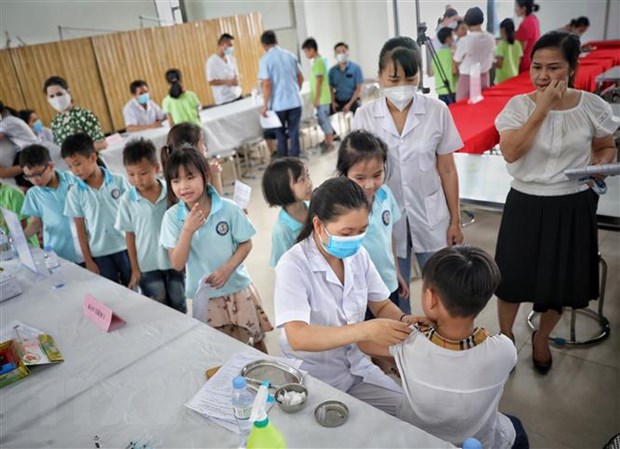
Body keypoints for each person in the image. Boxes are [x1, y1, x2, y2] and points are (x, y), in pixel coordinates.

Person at [494, 31, 618, 374]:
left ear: (572, 68)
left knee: (558, 281)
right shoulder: (518, 106)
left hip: (572, 204)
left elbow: (606, 146)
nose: (543, 75)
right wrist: (542, 109)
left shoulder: (592, 105)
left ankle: (541, 338)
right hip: (526, 202)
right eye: (537, 67)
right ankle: (505, 338)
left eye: (554, 67)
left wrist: (600, 165)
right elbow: (511, 151)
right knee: (511, 278)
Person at [274, 177, 426, 416]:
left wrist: (403, 321)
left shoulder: (358, 255)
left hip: (356, 368)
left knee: (408, 413)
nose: (355, 239)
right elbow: (298, 336)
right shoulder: (293, 265)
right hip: (313, 378)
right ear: (318, 225)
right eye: (347, 232)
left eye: (362, 231)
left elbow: (381, 305)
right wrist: (364, 330)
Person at [353, 36, 464, 314]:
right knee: (395, 293)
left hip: (431, 215)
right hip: (383, 220)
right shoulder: (365, 116)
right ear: (379, 76)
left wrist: (455, 220)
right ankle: (404, 339)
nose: (402, 86)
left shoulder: (436, 111)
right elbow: (354, 174)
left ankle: (440, 336)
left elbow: (447, 169)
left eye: (410, 78)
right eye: (393, 79)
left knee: (441, 289)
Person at [391, 246, 529, 449]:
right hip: (477, 443)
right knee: (516, 427)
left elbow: (366, 344)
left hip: (417, 441)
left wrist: (408, 325)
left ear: (431, 298)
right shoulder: (505, 350)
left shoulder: (408, 343)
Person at [160, 147, 272, 352]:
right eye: (176, 181)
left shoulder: (229, 208)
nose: (183, 186)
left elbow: (246, 243)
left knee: (254, 342)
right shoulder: (172, 217)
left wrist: (227, 269)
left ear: (206, 175)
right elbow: (177, 263)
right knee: (220, 349)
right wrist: (188, 230)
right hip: (205, 297)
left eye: (190, 177)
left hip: (237, 287)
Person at [336, 130, 408, 311]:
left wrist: (396, 271)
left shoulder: (385, 195)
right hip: (359, 292)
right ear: (344, 174)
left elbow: (389, 238)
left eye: (377, 175)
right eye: (360, 178)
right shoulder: (341, 208)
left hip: (388, 283)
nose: (370, 185)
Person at [115, 138, 186, 312]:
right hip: (147, 265)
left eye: (143, 173)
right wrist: (135, 268)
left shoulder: (172, 192)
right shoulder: (127, 200)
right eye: (131, 174)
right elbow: (129, 236)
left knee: (179, 302)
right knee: (158, 306)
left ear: (156, 168)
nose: (137, 179)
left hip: (174, 261)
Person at [62, 132, 131, 284]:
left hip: (126, 246)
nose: (74, 170)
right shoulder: (74, 193)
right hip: (100, 253)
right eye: (70, 166)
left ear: (93, 158)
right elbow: (80, 230)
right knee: (111, 290)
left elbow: (133, 215)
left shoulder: (119, 181)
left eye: (77, 164)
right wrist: (88, 260)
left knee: (136, 289)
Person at [19, 144, 81, 262]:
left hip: (84, 245)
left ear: (51, 166)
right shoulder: (33, 194)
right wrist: (19, 239)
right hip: (58, 252)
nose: (35, 180)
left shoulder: (72, 179)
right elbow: (35, 223)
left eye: (38, 174)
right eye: (29, 176)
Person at [258, 30, 304, 158]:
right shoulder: (290, 55)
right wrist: (296, 91)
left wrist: (265, 105)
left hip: (278, 104)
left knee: (280, 134)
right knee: (294, 133)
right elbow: (300, 77)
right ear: (276, 41)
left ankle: (283, 162)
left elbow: (267, 84)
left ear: (264, 45)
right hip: (295, 102)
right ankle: (296, 161)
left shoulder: (265, 60)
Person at [261, 156, 312, 267]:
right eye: (301, 180)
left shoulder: (315, 207)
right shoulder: (282, 231)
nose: (309, 184)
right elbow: (284, 267)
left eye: (308, 176)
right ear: (283, 187)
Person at [43, 76, 108, 151]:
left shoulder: (84, 115)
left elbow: (101, 144)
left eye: (59, 94)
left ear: (68, 92)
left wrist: (78, 154)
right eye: (52, 96)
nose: (56, 99)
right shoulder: (55, 122)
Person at [160, 123, 224, 196]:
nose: (205, 148)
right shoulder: (195, 174)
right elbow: (217, 200)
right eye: (203, 143)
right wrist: (215, 176)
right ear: (193, 148)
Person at [453, 7, 496, 101]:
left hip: (467, 78)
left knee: (462, 105)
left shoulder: (464, 41)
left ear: (467, 23)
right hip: (484, 76)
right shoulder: (491, 38)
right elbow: (492, 56)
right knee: (482, 105)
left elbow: (456, 60)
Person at [302, 38, 334, 149]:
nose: (306, 54)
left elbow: (319, 81)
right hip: (322, 98)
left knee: (324, 120)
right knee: (322, 120)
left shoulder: (319, 62)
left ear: (312, 50)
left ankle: (329, 142)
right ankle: (327, 140)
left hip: (322, 98)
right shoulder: (317, 61)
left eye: (306, 51)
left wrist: (316, 98)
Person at [206, 33, 243, 105]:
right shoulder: (211, 61)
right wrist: (226, 82)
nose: (231, 48)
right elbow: (211, 81)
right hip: (224, 99)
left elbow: (236, 74)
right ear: (222, 45)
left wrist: (237, 79)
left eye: (232, 46)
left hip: (237, 94)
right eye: (229, 45)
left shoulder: (231, 58)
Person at [328, 42, 364, 115]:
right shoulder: (332, 71)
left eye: (343, 51)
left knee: (358, 115)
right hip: (338, 101)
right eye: (338, 52)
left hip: (353, 101)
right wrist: (333, 102)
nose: (341, 54)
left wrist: (349, 104)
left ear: (348, 53)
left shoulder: (356, 68)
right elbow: (330, 89)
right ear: (335, 55)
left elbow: (358, 89)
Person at [0, 181, 39, 247]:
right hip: (5, 246)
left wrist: (8, 243)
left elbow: (22, 225)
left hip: (26, 246)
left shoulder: (13, 193)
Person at [433, 28, 458, 105]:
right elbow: (454, 71)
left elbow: (432, 71)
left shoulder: (436, 54)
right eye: (452, 36)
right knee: (454, 111)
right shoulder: (453, 53)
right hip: (451, 88)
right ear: (448, 39)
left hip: (440, 88)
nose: (454, 39)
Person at [514, 0, 540, 72]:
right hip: (532, 60)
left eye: (516, 6)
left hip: (524, 64)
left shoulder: (525, 24)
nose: (515, 10)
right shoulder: (534, 19)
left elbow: (520, 50)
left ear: (523, 8)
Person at [495, 19, 524, 84]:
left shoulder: (501, 45)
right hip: (514, 76)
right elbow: (519, 61)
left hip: (502, 79)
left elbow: (499, 64)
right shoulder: (517, 44)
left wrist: (492, 61)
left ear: (502, 30)